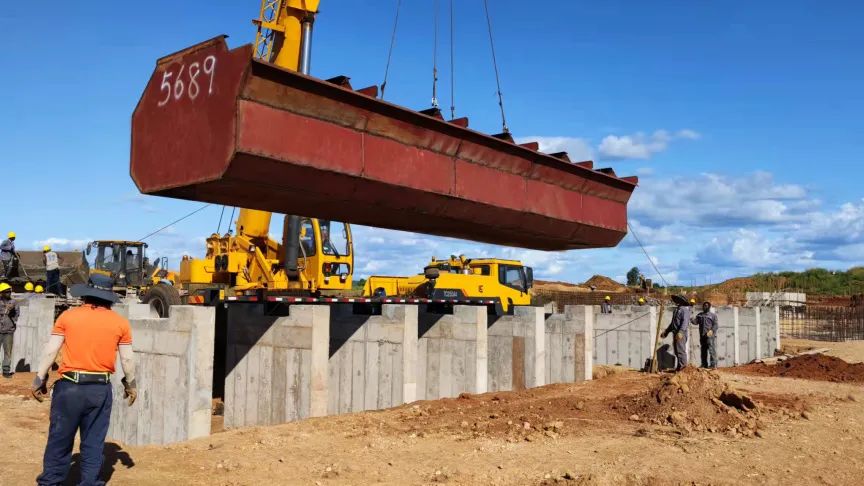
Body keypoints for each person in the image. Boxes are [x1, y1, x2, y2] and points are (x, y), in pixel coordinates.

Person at [31, 274, 138, 485]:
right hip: (99, 389)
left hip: (69, 388)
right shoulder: (120, 323)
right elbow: (127, 358)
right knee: (93, 444)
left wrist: (39, 378)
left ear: (86, 294)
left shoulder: (68, 317)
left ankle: (50, 482)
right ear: (109, 297)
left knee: (59, 440)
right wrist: (131, 384)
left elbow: (51, 350)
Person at [661, 297, 692, 371]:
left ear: (682, 302)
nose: (676, 301)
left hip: (681, 333)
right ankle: (679, 367)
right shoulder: (676, 310)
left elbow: (685, 322)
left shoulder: (685, 310)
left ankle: (683, 369)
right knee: (677, 350)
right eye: (676, 300)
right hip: (675, 333)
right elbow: (672, 324)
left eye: (678, 300)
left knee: (680, 351)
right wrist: (666, 331)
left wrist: (681, 331)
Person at [0, 283, 19, 378]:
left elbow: (17, 315)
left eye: (9, 291)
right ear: (1, 293)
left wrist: (12, 312)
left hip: (8, 332)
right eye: (6, 292)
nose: (9, 293)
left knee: (8, 352)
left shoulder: (13, 302)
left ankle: (6, 371)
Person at [693, 301, 719, 368]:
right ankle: (704, 364)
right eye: (704, 305)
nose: (705, 307)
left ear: (709, 307)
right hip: (702, 335)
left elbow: (716, 325)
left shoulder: (713, 315)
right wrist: (691, 319)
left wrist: (711, 331)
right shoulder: (700, 315)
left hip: (710, 336)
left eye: (706, 305)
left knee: (711, 350)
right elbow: (695, 322)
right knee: (703, 350)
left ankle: (713, 364)